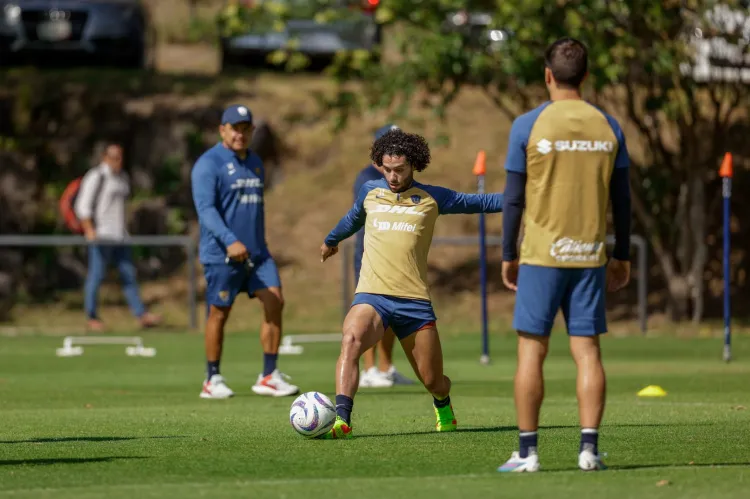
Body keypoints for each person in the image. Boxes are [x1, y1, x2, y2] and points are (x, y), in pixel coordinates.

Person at [497, 37, 631, 473]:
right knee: (587, 351)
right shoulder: (608, 126)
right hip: (589, 254)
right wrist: (622, 254)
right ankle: (589, 450)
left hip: (541, 256)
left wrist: (507, 253)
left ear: (548, 75)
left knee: (531, 352)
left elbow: (513, 199)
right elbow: (623, 198)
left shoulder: (527, 125)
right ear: (586, 76)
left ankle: (528, 453)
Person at [318, 129, 504, 438]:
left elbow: (480, 201)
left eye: (399, 169)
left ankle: (443, 403)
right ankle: (342, 419)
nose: (392, 175)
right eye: (387, 168)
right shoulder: (370, 192)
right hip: (372, 296)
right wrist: (330, 240)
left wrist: (526, 197)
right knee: (350, 340)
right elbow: (352, 219)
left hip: (414, 303)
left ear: (413, 165)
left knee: (433, 380)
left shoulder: (433, 197)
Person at [191, 104, 299, 399]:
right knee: (219, 313)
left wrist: (257, 244)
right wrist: (229, 240)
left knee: (275, 301)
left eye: (245, 128)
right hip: (222, 254)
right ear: (222, 130)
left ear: (251, 131)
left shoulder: (255, 162)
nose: (240, 134)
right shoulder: (208, 164)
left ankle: (268, 376)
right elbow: (206, 210)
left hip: (257, 254)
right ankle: (212, 379)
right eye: (234, 128)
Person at [75, 143, 161, 331]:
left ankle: (141, 315)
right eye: (114, 157)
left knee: (129, 275)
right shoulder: (96, 176)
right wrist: (89, 229)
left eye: (120, 157)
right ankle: (92, 317)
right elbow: (83, 206)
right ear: (105, 158)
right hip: (101, 236)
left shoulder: (122, 178)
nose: (118, 161)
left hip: (120, 236)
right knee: (96, 276)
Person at [354, 124, 414, 389]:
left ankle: (385, 367)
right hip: (372, 256)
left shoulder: (402, 179)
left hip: (395, 260)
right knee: (371, 312)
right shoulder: (366, 180)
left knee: (391, 317)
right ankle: (368, 370)